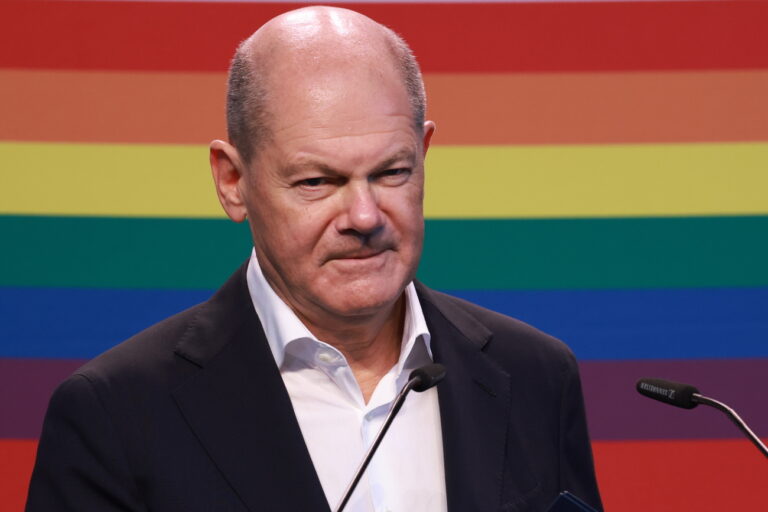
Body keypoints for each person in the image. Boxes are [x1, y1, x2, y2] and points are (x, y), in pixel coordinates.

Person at [26, 6, 602, 512]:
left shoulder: (537, 378)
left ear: (425, 155)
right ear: (233, 182)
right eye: (316, 181)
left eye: (392, 172)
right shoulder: (114, 416)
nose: (365, 215)